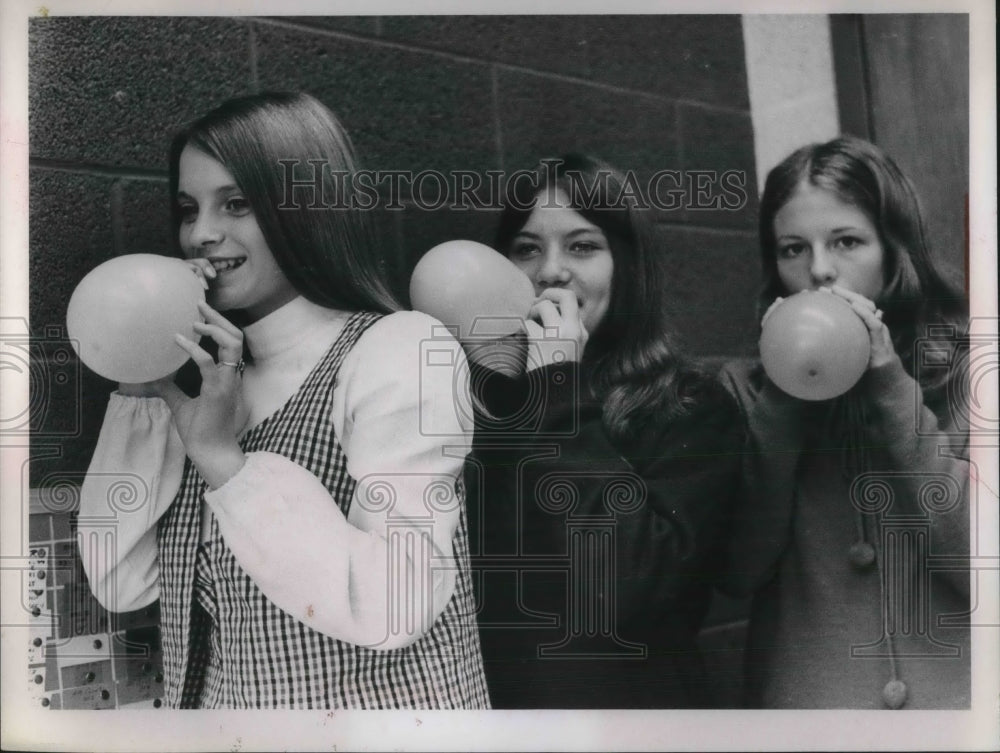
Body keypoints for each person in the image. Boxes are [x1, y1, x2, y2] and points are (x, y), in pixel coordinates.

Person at [76, 92, 489, 709]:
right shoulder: (209, 383)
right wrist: (141, 378)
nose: (202, 235)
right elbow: (122, 581)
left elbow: (396, 605)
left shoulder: (397, 350)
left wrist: (224, 462)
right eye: (189, 209)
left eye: (236, 204)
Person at [460, 154, 744, 708]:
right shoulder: (478, 408)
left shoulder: (690, 408)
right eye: (526, 248)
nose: (550, 271)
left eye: (583, 246)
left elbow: (623, 593)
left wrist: (561, 388)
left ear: (627, 266)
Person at [719, 136, 971, 709]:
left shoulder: (967, 377)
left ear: (893, 248)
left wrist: (891, 389)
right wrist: (782, 405)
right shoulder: (746, 391)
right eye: (792, 250)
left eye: (846, 241)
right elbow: (739, 572)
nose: (820, 271)